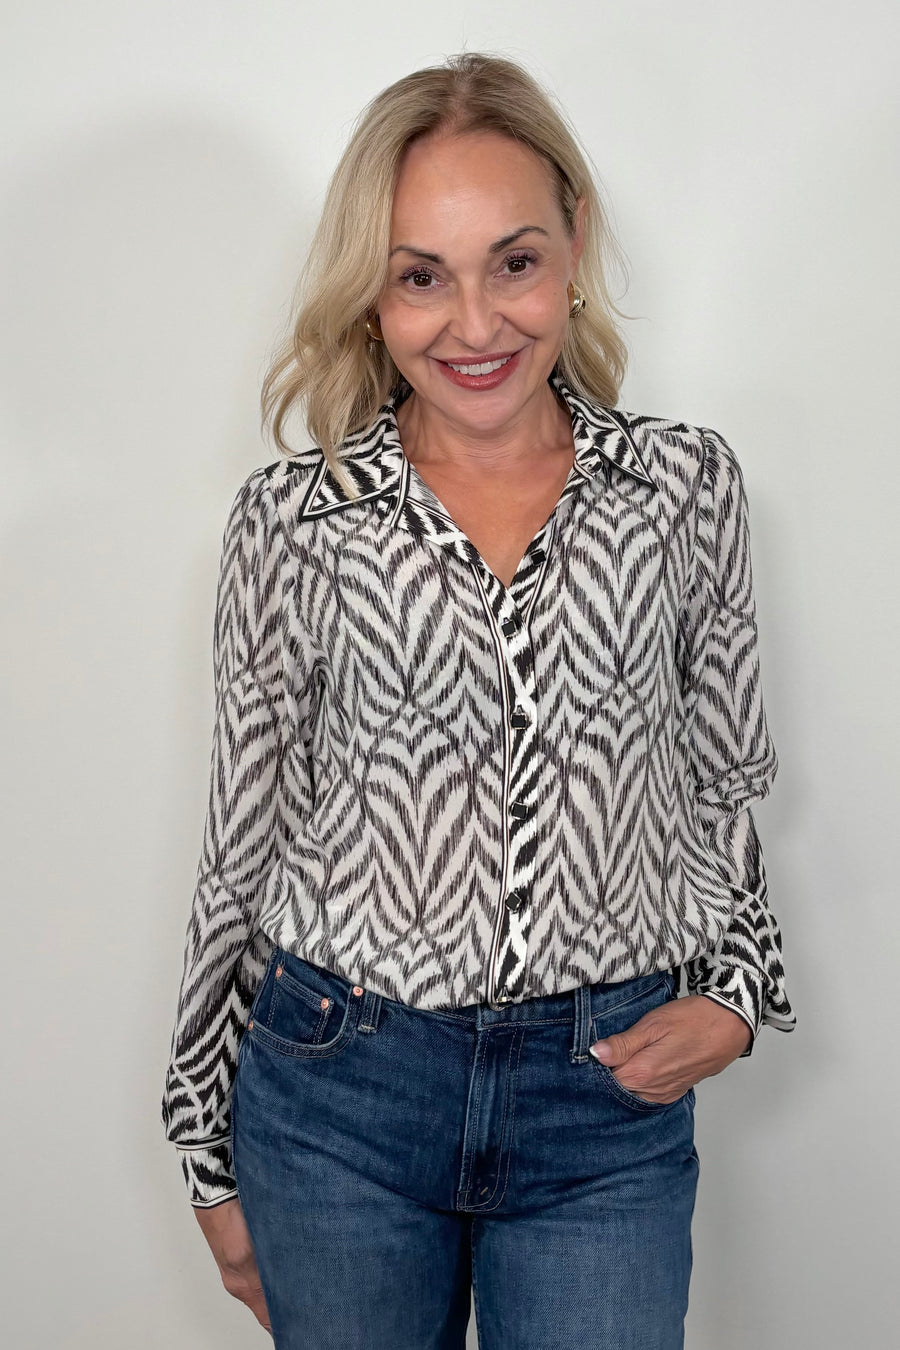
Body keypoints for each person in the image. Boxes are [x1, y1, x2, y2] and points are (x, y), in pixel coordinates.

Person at [161, 51, 796, 1350]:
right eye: (419, 276)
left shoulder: (686, 488)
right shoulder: (296, 519)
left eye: (511, 262)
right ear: (373, 296)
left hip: (599, 1110)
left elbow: (727, 771)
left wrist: (739, 990)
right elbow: (242, 835)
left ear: (573, 246)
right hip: (337, 1094)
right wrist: (203, 1146)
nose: (474, 322)